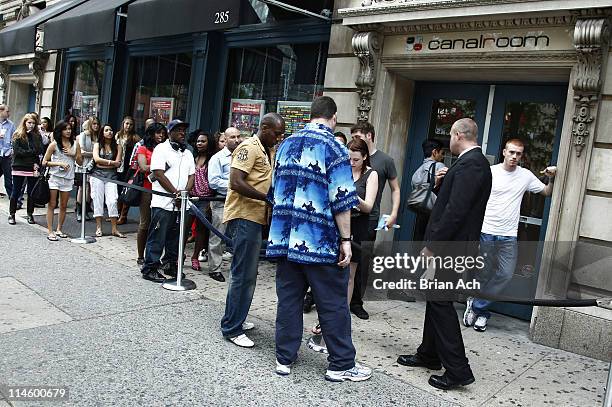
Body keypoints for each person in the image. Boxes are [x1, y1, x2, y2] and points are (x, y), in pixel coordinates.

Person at [267, 96, 372, 382]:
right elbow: (341, 200)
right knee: (333, 302)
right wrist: (346, 240)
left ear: (311, 115)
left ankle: (284, 358)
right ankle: (341, 364)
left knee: (288, 299)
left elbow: (274, 192)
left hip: (285, 239)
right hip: (319, 241)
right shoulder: (335, 148)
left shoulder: (286, 144)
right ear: (333, 117)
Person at [397, 118, 491, 390]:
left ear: (459, 135)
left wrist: (433, 245)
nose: (448, 141)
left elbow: (455, 212)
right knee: (436, 298)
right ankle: (429, 353)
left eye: (450, 135)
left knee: (440, 301)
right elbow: (454, 201)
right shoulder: (469, 164)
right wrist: (441, 184)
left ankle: (458, 370)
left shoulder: (472, 164)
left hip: (451, 246)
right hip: (453, 244)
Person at [463, 138, 558, 332]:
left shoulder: (525, 176)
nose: (514, 156)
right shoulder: (491, 172)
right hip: (486, 232)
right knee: (483, 274)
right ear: (504, 152)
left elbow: (546, 192)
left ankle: (477, 306)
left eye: (519, 154)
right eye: (511, 152)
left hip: (508, 236)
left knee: (505, 275)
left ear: (522, 156)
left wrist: (552, 177)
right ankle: (482, 315)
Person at [221, 114, 285, 348]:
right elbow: (236, 182)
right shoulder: (249, 147)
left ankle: (236, 317)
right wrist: (266, 198)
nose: (279, 138)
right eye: (276, 133)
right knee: (243, 275)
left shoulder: (267, 149)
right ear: (264, 128)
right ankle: (232, 327)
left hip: (256, 218)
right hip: (244, 216)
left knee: (248, 274)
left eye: (281, 134)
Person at [349, 122, 401, 320]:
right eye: (352, 137)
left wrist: (394, 212)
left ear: (369, 136)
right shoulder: (350, 160)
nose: (355, 140)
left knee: (361, 261)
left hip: (369, 218)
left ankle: (356, 302)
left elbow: (395, 188)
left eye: (359, 137)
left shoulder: (385, 160)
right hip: (348, 217)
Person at [140, 119, 195, 282]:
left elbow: (192, 175)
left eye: (184, 130)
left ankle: (170, 264)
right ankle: (150, 267)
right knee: (157, 236)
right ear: (169, 132)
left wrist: (184, 193)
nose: (182, 133)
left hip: (181, 203)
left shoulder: (188, 152)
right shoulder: (161, 149)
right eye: (178, 130)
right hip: (162, 203)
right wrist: (175, 193)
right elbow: (158, 173)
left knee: (175, 237)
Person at [346, 138, 378, 304]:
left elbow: (368, 207)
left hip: (358, 226)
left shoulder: (371, 174)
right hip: (340, 224)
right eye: (349, 159)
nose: (352, 163)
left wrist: (351, 196)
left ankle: (341, 317)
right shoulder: (343, 171)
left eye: (356, 160)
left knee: (350, 275)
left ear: (365, 157)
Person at [207, 127, 242, 276]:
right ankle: (215, 269)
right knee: (217, 236)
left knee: (238, 236)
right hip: (222, 200)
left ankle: (238, 268)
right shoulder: (218, 158)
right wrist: (234, 184)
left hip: (240, 201)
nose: (237, 140)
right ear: (225, 140)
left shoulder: (243, 156)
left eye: (238, 136)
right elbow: (213, 181)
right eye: (232, 137)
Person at [185, 130, 219, 278]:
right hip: (190, 198)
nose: (199, 144)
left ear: (209, 143)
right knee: (184, 228)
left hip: (205, 200)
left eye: (203, 141)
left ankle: (195, 257)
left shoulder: (212, 159)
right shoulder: (192, 157)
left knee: (200, 232)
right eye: (198, 141)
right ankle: (179, 256)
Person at [42, 121, 83, 241]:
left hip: (68, 178)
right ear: (60, 131)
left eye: (70, 129)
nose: (68, 131)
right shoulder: (54, 144)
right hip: (54, 178)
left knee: (64, 205)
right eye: (65, 129)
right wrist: (58, 163)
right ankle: (50, 231)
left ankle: (59, 229)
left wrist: (73, 154)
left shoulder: (76, 144)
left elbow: (80, 162)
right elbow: (44, 162)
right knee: (52, 204)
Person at [135, 123, 167, 265]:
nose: (161, 135)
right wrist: (159, 167)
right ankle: (141, 256)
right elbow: (142, 167)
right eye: (158, 133)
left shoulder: (167, 149)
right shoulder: (143, 148)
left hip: (164, 189)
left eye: (163, 133)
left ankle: (154, 256)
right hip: (147, 189)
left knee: (160, 225)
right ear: (151, 134)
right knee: (145, 223)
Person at [7, 113, 43, 225]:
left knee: (31, 192)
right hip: (19, 165)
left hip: (32, 166)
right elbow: (18, 152)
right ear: (24, 123)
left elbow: (40, 150)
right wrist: (31, 152)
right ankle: (11, 214)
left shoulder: (37, 136)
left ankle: (30, 214)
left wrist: (31, 148)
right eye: (29, 123)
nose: (31, 125)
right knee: (16, 191)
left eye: (33, 123)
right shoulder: (17, 134)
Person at [91, 124, 125, 238]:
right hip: (97, 176)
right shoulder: (97, 145)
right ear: (102, 133)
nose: (109, 132)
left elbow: (118, 163)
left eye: (111, 129)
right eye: (106, 130)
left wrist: (103, 163)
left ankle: (114, 229)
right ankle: (98, 227)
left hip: (112, 177)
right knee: (98, 200)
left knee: (112, 201)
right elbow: (96, 160)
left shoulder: (118, 146)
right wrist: (111, 163)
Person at [411, 139, 447, 241]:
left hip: (421, 212)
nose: (443, 156)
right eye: (442, 153)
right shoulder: (439, 167)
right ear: (434, 152)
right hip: (435, 212)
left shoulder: (418, 171)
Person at [115, 116, 141, 225]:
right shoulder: (117, 135)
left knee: (126, 191)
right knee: (118, 191)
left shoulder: (135, 137)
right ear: (123, 124)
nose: (128, 126)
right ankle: (116, 214)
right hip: (118, 166)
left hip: (129, 167)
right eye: (126, 123)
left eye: (130, 124)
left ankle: (123, 216)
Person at [76, 117, 100, 221]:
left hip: (94, 165)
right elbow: (82, 152)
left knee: (90, 188)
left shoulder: (98, 136)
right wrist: (95, 154)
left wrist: (95, 156)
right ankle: (79, 211)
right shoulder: (84, 135)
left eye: (97, 124)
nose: (96, 126)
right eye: (94, 124)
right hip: (83, 164)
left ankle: (86, 210)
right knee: (82, 187)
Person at [0, 104, 16, 198]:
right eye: (7, 111)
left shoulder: (11, 124)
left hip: (6, 154)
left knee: (8, 178)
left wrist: (12, 150)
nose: (9, 113)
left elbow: (14, 138)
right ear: (1, 111)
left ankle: (14, 199)